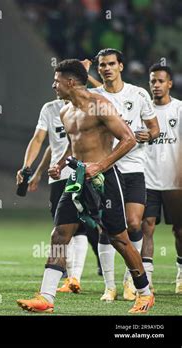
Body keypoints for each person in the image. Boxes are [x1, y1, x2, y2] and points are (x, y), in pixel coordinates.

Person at [17, 59, 154, 314]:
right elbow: (73, 144)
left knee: (119, 240)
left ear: (70, 82)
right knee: (59, 234)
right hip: (77, 179)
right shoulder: (64, 111)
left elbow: (128, 139)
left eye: (56, 81)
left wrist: (99, 166)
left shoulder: (100, 106)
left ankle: (145, 293)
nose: (53, 85)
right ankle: (46, 297)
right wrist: (59, 164)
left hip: (106, 180)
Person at [87, 48, 160, 301]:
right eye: (102, 65)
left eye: (110, 64)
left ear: (120, 66)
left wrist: (148, 135)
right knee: (106, 228)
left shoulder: (138, 94)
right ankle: (110, 286)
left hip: (134, 169)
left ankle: (131, 280)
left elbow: (154, 128)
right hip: (105, 169)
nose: (106, 68)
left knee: (134, 223)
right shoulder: (92, 96)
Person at [16, 98, 101, 294]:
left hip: (83, 172)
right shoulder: (49, 108)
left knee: (86, 227)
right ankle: (72, 279)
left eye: (58, 81)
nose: (55, 86)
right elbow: (44, 141)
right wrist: (33, 170)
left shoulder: (89, 104)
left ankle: (104, 279)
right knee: (64, 228)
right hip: (58, 176)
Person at [141, 63, 182, 294]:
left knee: (180, 230)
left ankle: (181, 273)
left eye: (160, 81)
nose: (155, 85)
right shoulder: (143, 110)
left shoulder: (179, 109)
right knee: (147, 226)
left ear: (169, 84)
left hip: (175, 182)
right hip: (148, 180)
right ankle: (146, 280)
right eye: (152, 81)